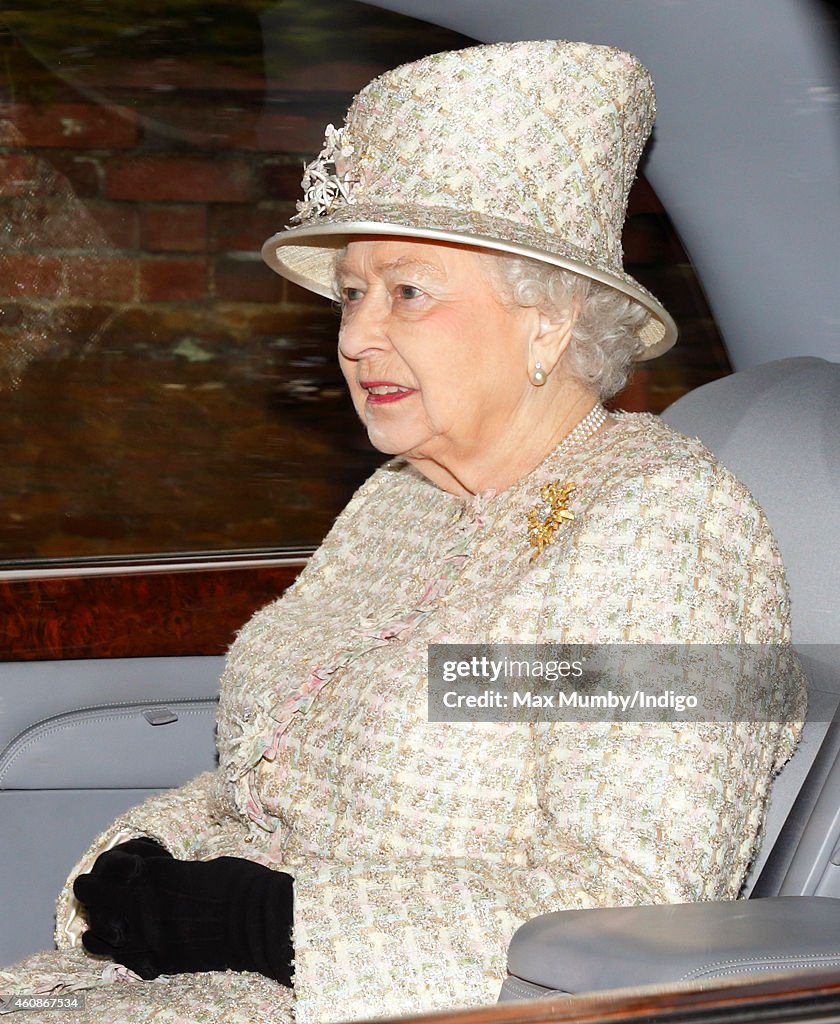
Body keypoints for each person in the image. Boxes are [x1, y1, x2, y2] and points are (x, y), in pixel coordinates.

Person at [0, 39, 804, 1024]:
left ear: (546, 320)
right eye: (351, 291)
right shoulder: (401, 499)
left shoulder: (669, 528)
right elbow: (269, 762)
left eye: (407, 291)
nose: (353, 334)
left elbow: (652, 901)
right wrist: (134, 859)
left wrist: (277, 923)